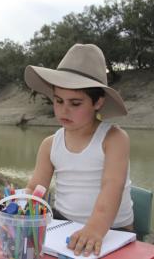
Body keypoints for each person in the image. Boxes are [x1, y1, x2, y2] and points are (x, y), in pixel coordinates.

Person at [23, 44, 134, 257]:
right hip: (62, 223)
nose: (64, 110)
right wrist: (19, 205)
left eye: (75, 103)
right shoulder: (49, 144)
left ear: (98, 102)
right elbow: (35, 189)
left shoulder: (114, 139)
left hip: (112, 229)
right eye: (58, 101)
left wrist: (95, 229)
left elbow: (112, 188)